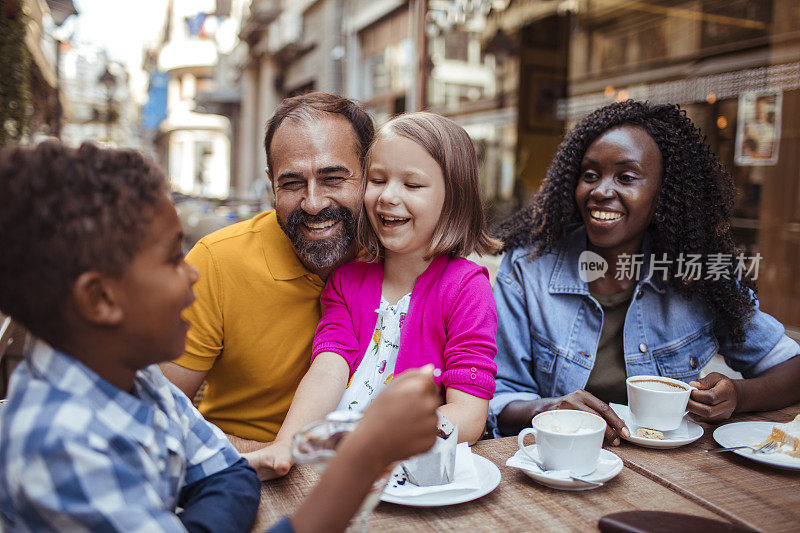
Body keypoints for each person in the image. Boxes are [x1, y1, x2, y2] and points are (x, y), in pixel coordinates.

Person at [0, 141, 441, 533]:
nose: (193, 274)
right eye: (173, 259)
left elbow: (228, 476)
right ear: (100, 299)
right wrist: (362, 458)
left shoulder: (134, 381)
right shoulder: (61, 445)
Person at [489, 100, 800, 444]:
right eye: (590, 175)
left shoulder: (694, 271)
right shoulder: (527, 268)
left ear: (662, 193)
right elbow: (499, 398)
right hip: (565, 465)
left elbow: (791, 368)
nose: (601, 191)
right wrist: (547, 409)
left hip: (675, 470)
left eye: (626, 177)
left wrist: (737, 395)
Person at [246, 112, 501, 480]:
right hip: (340, 466)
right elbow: (329, 367)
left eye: (412, 185)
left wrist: (378, 442)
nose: (388, 196)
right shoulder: (346, 280)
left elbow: (469, 416)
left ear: (453, 199)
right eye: (377, 180)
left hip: (418, 473)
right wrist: (288, 442)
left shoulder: (467, 287)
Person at [159, 92, 374, 443]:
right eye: (291, 183)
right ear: (271, 182)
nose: (314, 203)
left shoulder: (398, 255)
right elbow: (157, 417)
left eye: (333, 179)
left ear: (369, 175)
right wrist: (269, 457)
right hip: (246, 469)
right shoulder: (216, 262)